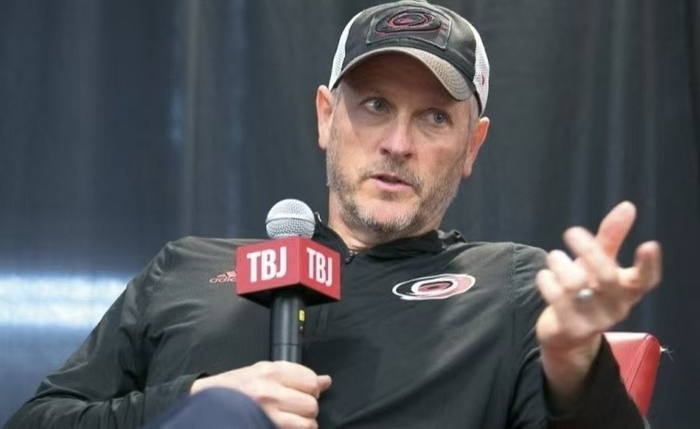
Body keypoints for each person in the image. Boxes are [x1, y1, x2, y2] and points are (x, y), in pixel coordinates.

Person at [4, 1, 662, 428]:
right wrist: (198, 400)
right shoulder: (185, 268)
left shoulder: (513, 290)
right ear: (326, 117)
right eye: (375, 105)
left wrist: (574, 366)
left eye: (434, 118)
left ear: (472, 148)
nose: (397, 143)